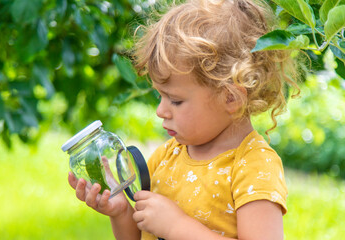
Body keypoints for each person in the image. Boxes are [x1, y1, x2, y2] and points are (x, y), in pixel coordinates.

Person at [68, 0, 301, 239]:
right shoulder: (167, 157)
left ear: (231, 98)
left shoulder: (254, 166)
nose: (161, 110)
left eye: (175, 101)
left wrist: (176, 226)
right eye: (160, 96)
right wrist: (120, 213)